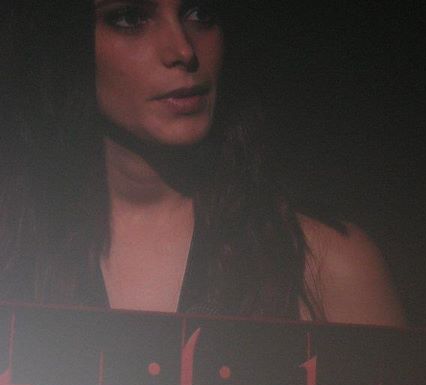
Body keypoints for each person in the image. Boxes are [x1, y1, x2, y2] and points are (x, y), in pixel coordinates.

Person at [0, 0, 404, 325]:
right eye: (130, 18)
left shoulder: (327, 267)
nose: (182, 50)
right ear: (60, 40)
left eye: (200, 13)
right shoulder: (14, 244)